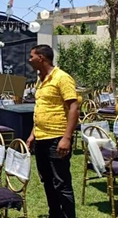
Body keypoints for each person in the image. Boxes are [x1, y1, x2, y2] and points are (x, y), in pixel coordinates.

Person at [26, 45, 80, 219]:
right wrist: (33, 134)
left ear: (41, 58)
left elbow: (74, 108)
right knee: (47, 180)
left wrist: (66, 138)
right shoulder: (41, 80)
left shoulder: (62, 78)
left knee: (61, 183)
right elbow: (41, 109)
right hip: (41, 138)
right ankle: (54, 214)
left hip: (57, 138)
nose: (29, 60)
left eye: (32, 56)